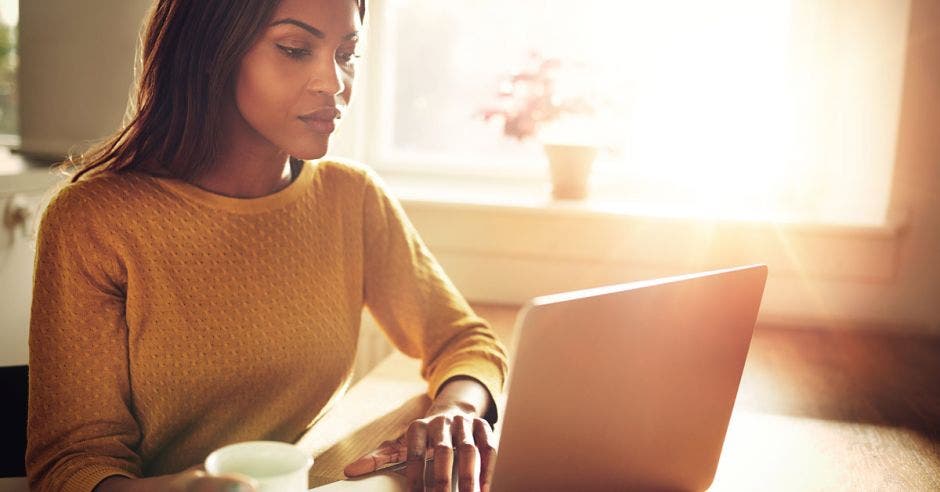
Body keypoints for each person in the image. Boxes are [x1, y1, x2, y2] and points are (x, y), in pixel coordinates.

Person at [25, 0, 509, 491]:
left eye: (347, 55)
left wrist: (457, 411)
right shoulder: (93, 220)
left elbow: (465, 342)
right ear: (211, 52)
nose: (334, 83)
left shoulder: (351, 198)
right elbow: (69, 464)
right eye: (295, 49)